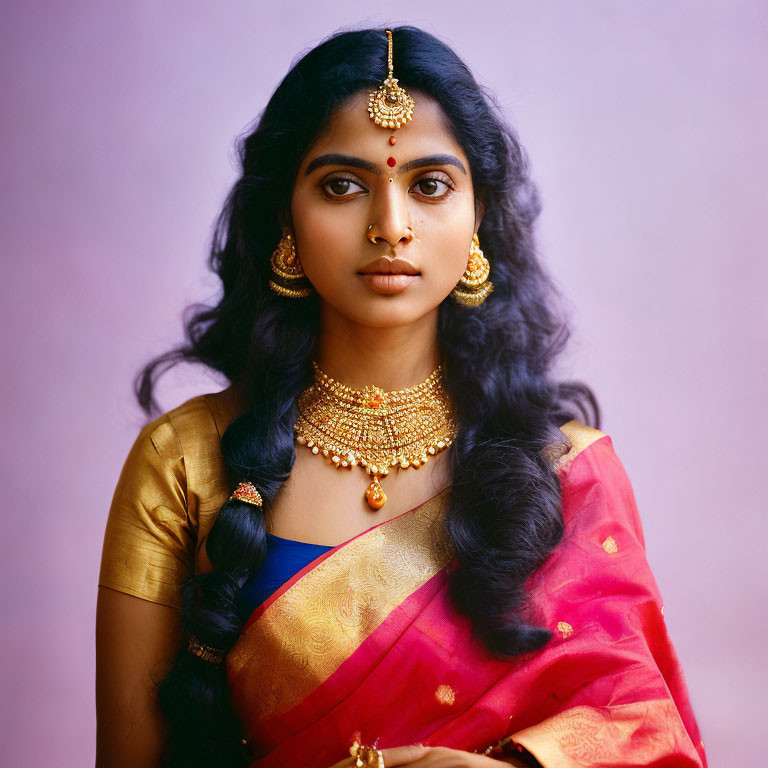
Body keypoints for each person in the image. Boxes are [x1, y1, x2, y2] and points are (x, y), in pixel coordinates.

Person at [95, 25, 708, 768]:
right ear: (286, 219)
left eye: (430, 185)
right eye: (342, 186)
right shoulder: (185, 463)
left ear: (477, 216)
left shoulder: (566, 473)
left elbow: (643, 733)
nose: (390, 227)